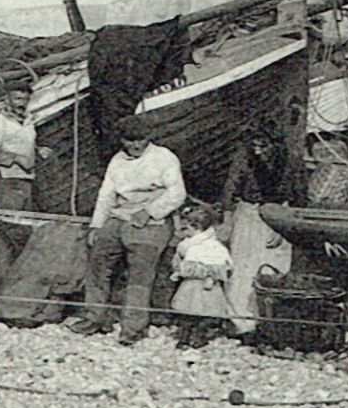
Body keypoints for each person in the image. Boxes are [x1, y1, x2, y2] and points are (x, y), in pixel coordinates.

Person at [68, 112, 186, 345]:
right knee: (98, 262)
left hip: (152, 217)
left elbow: (177, 193)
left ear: (148, 138)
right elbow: (106, 196)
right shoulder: (117, 161)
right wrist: (96, 226)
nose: (135, 145)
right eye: (129, 140)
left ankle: (133, 328)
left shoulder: (164, 157)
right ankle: (94, 317)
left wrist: (149, 212)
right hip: (121, 215)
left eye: (140, 139)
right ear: (121, 140)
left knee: (140, 272)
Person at [0, 84, 51, 211]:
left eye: (25, 100)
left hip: (27, 179)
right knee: (12, 222)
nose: (21, 103)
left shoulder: (28, 121)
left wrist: (38, 150)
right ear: (7, 99)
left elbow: (23, 141)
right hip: (7, 181)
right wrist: (15, 158)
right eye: (17, 99)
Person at [169, 201, 231, 349]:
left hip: (204, 285)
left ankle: (198, 335)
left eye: (187, 228)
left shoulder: (211, 246)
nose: (185, 232)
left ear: (196, 228)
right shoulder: (189, 244)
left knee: (203, 312)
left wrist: (209, 273)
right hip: (190, 284)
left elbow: (225, 264)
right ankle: (185, 335)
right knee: (187, 312)